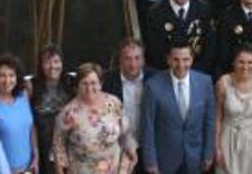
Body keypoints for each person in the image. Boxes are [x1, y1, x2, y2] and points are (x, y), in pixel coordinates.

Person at [140, 43, 216, 174]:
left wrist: (209, 153)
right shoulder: (152, 86)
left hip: (195, 158)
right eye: (176, 60)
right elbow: (147, 127)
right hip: (165, 160)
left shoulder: (205, 82)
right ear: (168, 60)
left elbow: (209, 122)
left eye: (185, 59)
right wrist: (150, 161)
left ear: (192, 60)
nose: (181, 65)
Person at [53, 63, 137, 174]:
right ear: (78, 85)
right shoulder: (68, 113)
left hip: (114, 169)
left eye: (93, 83)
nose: (89, 88)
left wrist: (131, 149)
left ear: (100, 84)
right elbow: (58, 147)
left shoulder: (114, 103)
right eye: (84, 83)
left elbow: (125, 132)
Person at [144, 0, 216, 73]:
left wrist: (196, 71)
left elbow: (210, 46)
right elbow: (155, 50)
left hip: (198, 71)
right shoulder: (156, 13)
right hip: (167, 72)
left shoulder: (203, 10)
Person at [103, 38, 157, 174]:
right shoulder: (107, 82)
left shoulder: (156, 79)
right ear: (120, 60)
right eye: (128, 59)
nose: (133, 64)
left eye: (137, 58)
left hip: (151, 148)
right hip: (120, 149)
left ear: (143, 60)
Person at [214, 45, 252, 174]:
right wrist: (216, 147)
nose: (246, 67)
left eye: (250, 62)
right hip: (229, 138)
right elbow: (217, 117)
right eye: (241, 62)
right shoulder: (223, 83)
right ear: (233, 62)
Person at [0, 54, 38, 174]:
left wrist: (36, 155)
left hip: (29, 167)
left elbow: (31, 128)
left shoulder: (24, 95)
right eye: (2, 76)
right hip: (4, 170)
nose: (7, 80)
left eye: (11, 75)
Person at [32, 45, 72, 174]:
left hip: (69, 145)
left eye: (56, 61)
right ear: (40, 65)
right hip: (43, 147)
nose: (52, 66)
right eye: (47, 62)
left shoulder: (71, 84)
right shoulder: (32, 87)